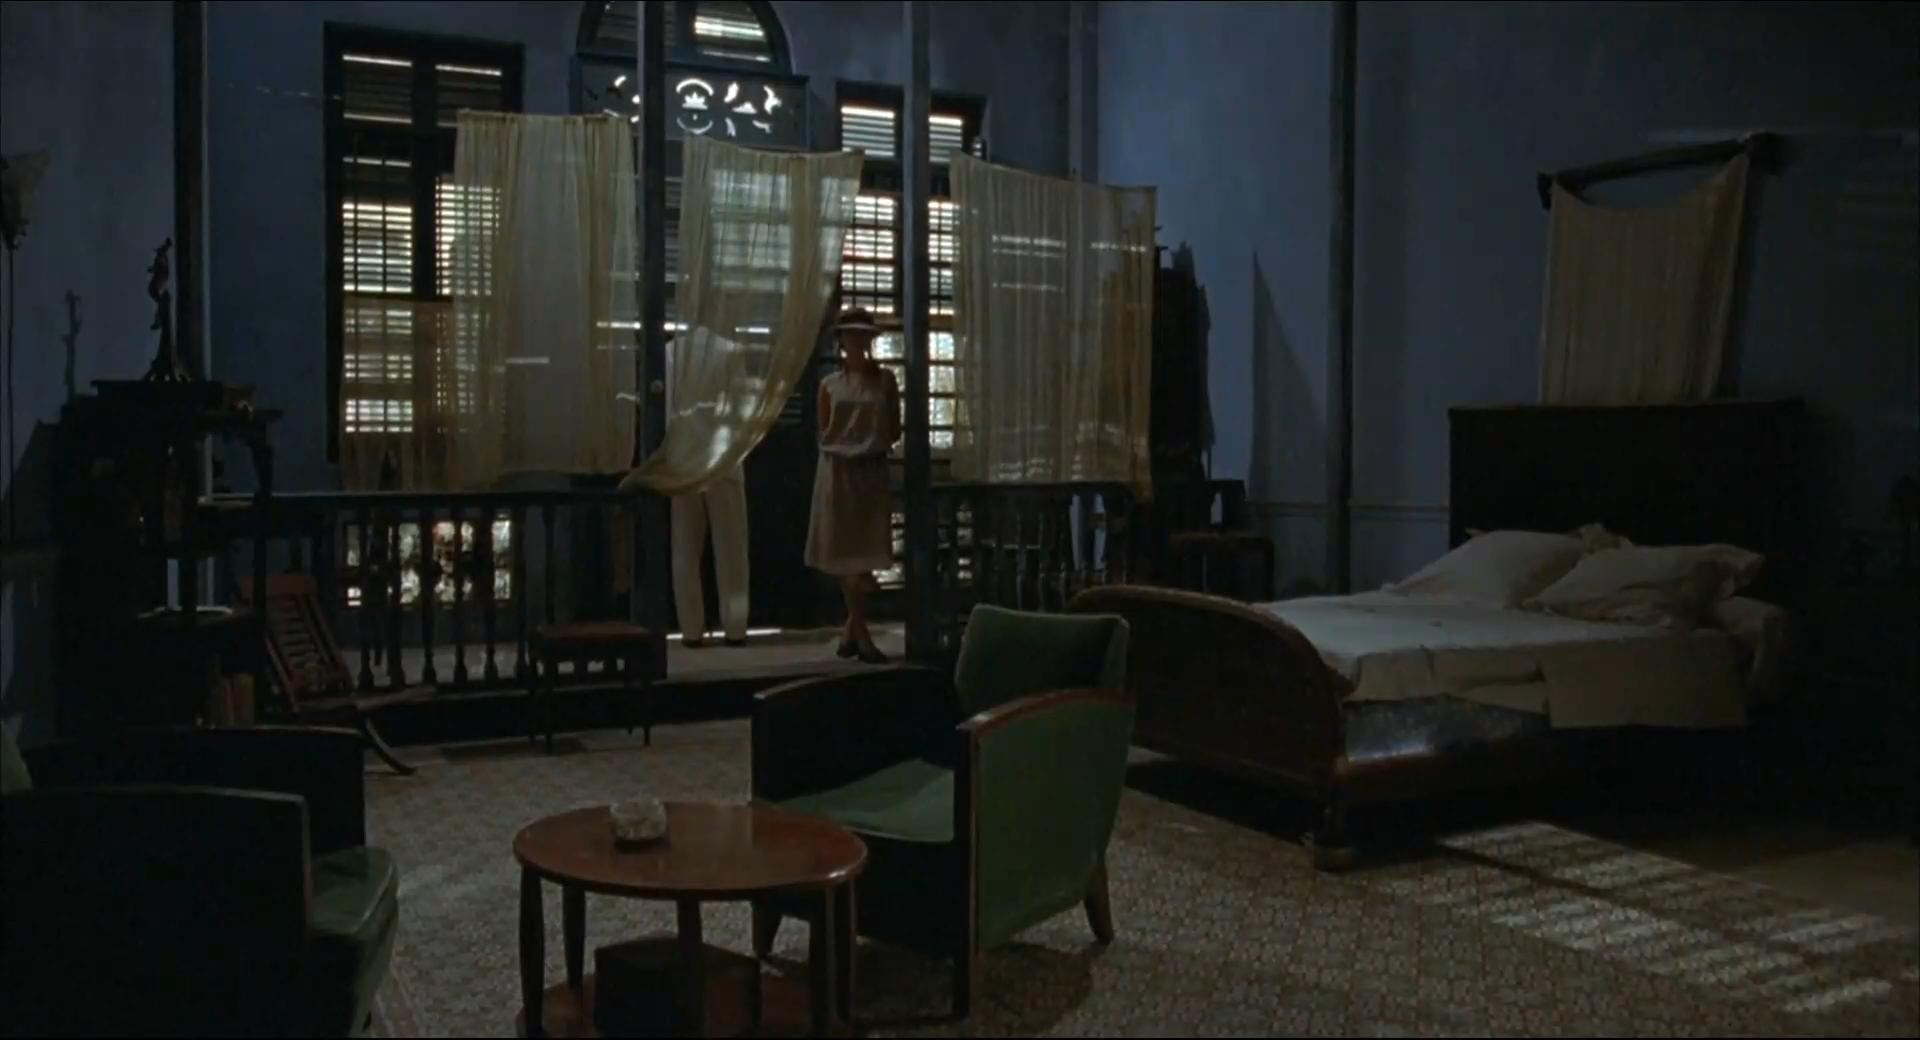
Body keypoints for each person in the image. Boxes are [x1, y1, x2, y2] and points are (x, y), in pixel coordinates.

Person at [804, 308, 901, 663]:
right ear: (841, 341)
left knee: (865, 557)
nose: (856, 341)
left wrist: (869, 441)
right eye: (850, 335)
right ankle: (861, 634)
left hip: (870, 471)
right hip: (837, 471)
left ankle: (851, 630)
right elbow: (823, 430)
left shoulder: (885, 380)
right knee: (845, 554)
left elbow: (895, 428)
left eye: (862, 335)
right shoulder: (829, 385)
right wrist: (847, 443)